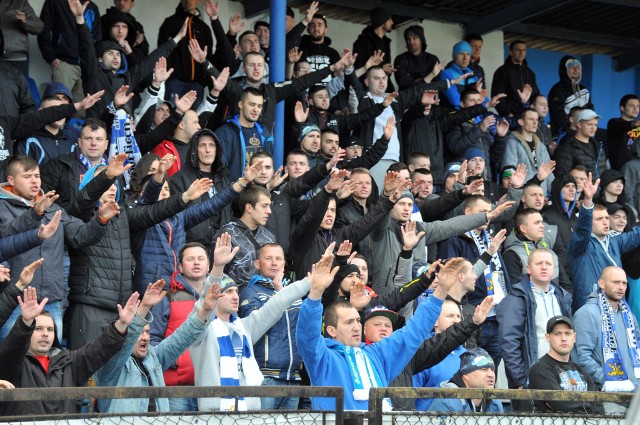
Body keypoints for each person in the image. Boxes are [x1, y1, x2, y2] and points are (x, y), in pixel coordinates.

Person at [297, 246, 460, 410]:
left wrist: (441, 291)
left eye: (357, 321)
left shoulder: (376, 354)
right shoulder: (322, 357)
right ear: (331, 330)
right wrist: (316, 292)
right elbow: (307, 334)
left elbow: (414, 331)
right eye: (348, 322)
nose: (356, 327)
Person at [189, 233, 314, 411]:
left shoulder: (243, 328)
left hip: (249, 412)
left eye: (235, 291)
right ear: (214, 295)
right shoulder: (202, 331)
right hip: (215, 413)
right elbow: (201, 306)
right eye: (229, 291)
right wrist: (217, 267)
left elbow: (275, 306)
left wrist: (310, 281)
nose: (235, 296)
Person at [0, 155, 115, 340]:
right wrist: (35, 213)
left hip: (51, 300)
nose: (34, 181)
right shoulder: (2, 206)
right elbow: (7, 235)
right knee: (11, 360)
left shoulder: (52, 208)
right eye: (27, 176)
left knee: (50, 362)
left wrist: (101, 220)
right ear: (11, 180)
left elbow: (80, 235)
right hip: (15, 301)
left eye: (37, 176)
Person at [0, 286, 138, 416]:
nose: (45, 334)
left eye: (50, 329)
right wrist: (25, 322)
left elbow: (99, 349)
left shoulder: (69, 363)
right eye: (38, 328)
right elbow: (12, 350)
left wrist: (121, 324)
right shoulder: (14, 364)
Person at [95, 279, 220, 413]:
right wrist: (143, 308)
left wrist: (205, 311)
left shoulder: (153, 357)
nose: (146, 337)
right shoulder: (111, 364)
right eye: (140, 333)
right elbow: (125, 344)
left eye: (148, 332)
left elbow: (182, 337)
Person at [72, 0, 186, 119]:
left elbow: (150, 60)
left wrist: (177, 39)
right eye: (110, 53)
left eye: (118, 54)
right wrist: (80, 19)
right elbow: (86, 47)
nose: (115, 57)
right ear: (100, 58)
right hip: (99, 133)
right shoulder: (93, 74)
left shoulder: (128, 78)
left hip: (124, 134)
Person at [496, 248, 572, 396]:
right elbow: (509, 341)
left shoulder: (562, 297)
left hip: (563, 376)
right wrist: (520, 380)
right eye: (539, 263)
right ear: (528, 269)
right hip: (531, 379)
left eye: (548, 264)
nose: (544, 267)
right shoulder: (516, 299)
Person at [239, 243, 303, 410]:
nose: (274, 262)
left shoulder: (295, 293)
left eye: (278, 258)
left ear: (284, 263)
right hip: (265, 377)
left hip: (293, 377)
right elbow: (253, 326)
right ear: (257, 264)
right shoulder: (250, 292)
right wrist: (279, 295)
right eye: (268, 258)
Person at [568, 174, 640, 312]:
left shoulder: (614, 241)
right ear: (590, 222)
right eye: (600, 219)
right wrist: (588, 200)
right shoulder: (581, 244)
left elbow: (636, 235)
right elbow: (583, 228)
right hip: (591, 307)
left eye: (607, 218)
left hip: (616, 305)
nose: (606, 221)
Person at [574, 267, 640, 414]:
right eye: (616, 282)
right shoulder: (586, 313)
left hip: (635, 396)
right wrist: (610, 382)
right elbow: (582, 357)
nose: (621, 287)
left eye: (624, 283)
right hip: (606, 397)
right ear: (601, 284)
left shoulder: (629, 316)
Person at [528, 316, 597, 413]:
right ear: (548, 338)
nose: (563, 338)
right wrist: (588, 408)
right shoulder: (540, 369)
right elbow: (562, 404)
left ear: (574, 337)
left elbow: (598, 405)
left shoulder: (582, 372)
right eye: (557, 334)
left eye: (568, 333)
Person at [38, 0, 102, 105]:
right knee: (58, 107)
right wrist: (51, 57)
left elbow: (97, 39)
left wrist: (94, 64)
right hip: (64, 64)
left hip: (87, 67)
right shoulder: (55, 2)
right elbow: (43, 31)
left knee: (82, 111)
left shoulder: (92, 7)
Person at [213, 183, 275, 288]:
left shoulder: (269, 237)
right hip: (233, 299)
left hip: (264, 298)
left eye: (269, 206)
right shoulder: (227, 234)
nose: (269, 211)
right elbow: (215, 272)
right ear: (249, 208)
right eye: (264, 206)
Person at [157, 0, 213, 106]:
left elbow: (208, 56)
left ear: (199, 1)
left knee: (192, 119)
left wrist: (203, 80)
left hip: (197, 84)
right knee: (172, 117)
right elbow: (163, 51)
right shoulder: (170, 22)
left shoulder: (204, 27)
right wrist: (171, 76)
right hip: (175, 82)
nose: (188, 1)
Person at [213, 88, 273, 182]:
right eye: (252, 104)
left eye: (259, 106)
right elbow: (219, 169)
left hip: (257, 192)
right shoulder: (225, 132)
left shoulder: (265, 134)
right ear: (240, 104)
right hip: (233, 192)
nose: (255, 109)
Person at [502, 208, 570, 290]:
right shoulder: (512, 254)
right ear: (523, 228)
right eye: (537, 223)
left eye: (541, 222)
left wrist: (559, 301)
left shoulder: (549, 251)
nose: (542, 226)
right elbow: (515, 291)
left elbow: (566, 286)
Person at [428, 348, 503, 413]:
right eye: (484, 369)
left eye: (492, 370)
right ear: (466, 375)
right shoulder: (447, 401)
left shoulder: (495, 402)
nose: (491, 375)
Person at [502, 109, 554, 195]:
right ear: (521, 122)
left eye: (537, 119)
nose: (535, 122)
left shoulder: (541, 146)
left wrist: (558, 194)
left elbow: (549, 174)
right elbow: (509, 168)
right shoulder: (512, 142)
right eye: (531, 119)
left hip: (540, 196)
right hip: (522, 196)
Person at [491, 40, 539, 117]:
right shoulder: (502, 71)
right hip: (510, 117)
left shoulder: (530, 73)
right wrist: (508, 114)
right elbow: (498, 95)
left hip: (527, 118)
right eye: (518, 50)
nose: (521, 52)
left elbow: (535, 95)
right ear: (510, 52)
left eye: (523, 50)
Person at [554, 109, 607, 179]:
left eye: (595, 125)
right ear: (579, 124)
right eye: (589, 124)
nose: (593, 128)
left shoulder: (599, 147)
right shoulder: (567, 147)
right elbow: (561, 176)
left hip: (598, 189)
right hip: (579, 189)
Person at [548, 56, 593, 136]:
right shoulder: (557, 89)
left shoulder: (584, 90)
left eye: (577, 67)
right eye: (572, 67)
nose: (576, 70)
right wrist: (573, 129)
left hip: (583, 134)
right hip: (563, 135)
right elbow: (558, 115)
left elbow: (590, 111)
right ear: (564, 70)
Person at [352, 7, 394, 92]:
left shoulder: (386, 42)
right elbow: (358, 68)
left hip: (384, 90)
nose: (392, 22)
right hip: (366, 91)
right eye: (389, 19)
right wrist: (382, 68)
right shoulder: (361, 42)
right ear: (382, 21)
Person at [0, 0, 43, 77]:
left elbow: (39, 27)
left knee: (19, 88)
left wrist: (25, 21)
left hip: (16, 58)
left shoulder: (20, 2)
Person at [393, 25, 439, 90]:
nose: (411, 42)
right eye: (409, 39)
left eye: (414, 38)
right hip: (406, 99)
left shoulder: (432, 59)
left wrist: (413, 79)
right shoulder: (400, 59)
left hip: (427, 99)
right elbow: (402, 82)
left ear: (421, 40)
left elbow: (435, 83)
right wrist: (426, 78)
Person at [608, 94, 640, 170]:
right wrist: (634, 124)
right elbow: (622, 126)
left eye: (638, 106)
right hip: (621, 169)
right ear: (622, 108)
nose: (635, 109)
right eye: (631, 106)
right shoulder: (614, 123)